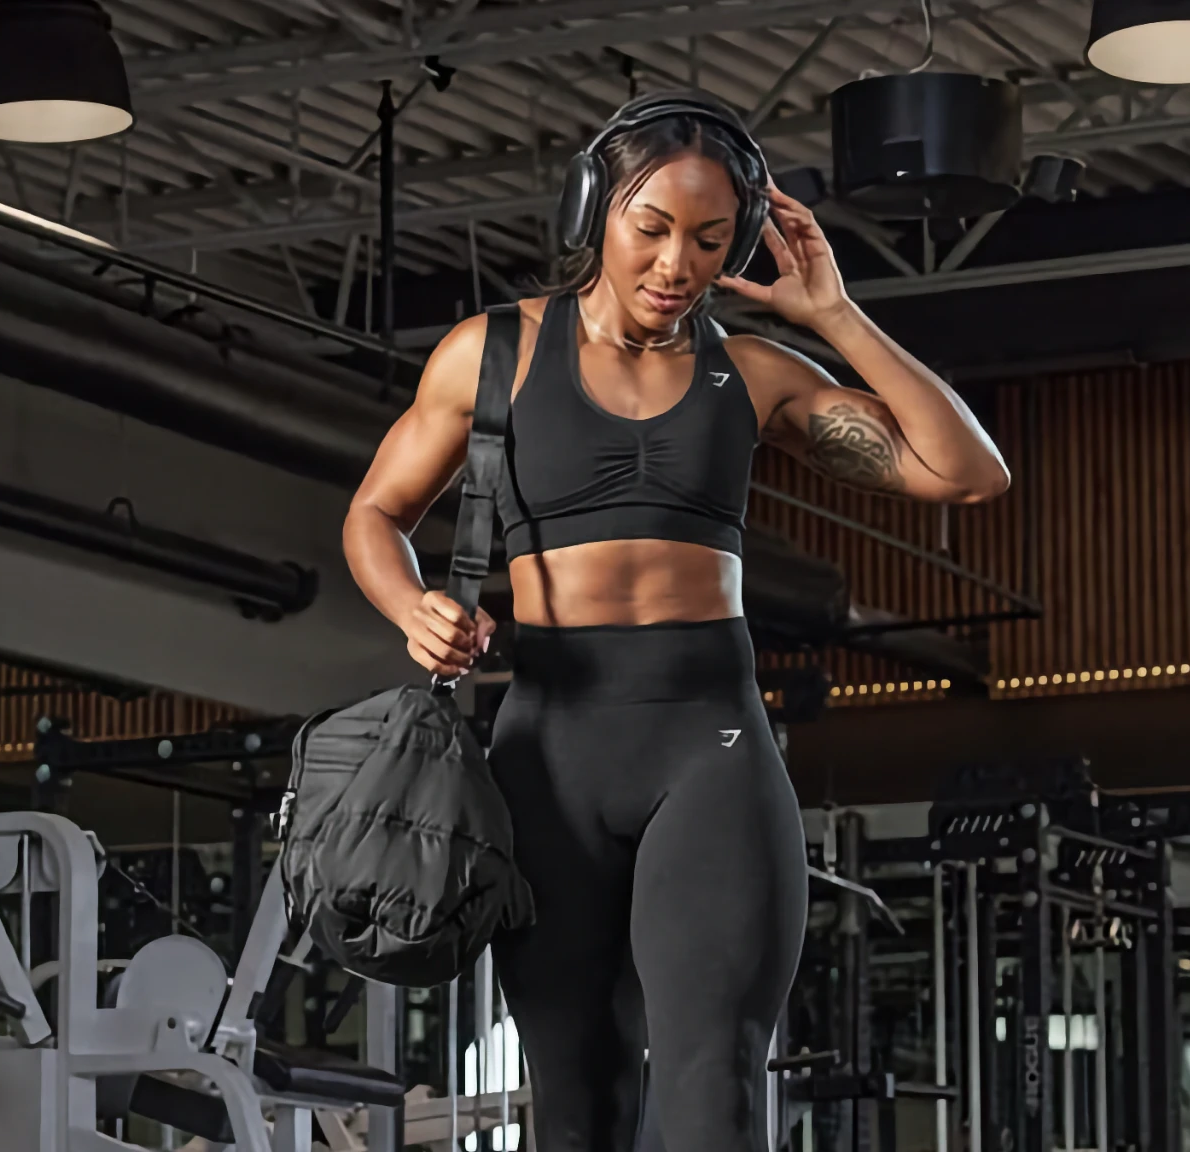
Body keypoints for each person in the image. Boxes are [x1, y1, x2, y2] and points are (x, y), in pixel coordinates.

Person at [341, 93, 1010, 1152]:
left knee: (712, 1091)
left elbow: (965, 473)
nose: (675, 263)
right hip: (549, 750)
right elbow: (375, 514)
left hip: (710, 743)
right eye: (650, 228)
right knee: (576, 1102)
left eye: (708, 239)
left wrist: (834, 315)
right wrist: (408, 603)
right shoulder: (491, 354)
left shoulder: (750, 374)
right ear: (591, 212)